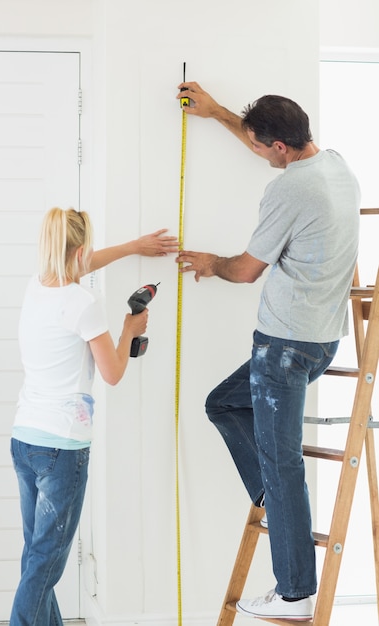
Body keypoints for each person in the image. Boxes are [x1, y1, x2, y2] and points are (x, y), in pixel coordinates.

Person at [176, 82, 360, 620]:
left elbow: (248, 269)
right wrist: (215, 114)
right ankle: (276, 503)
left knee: (284, 469)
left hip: (282, 348)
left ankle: (296, 592)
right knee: (224, 404)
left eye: (258, 147)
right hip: (320, 341)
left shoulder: (288, 192)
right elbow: (265, 137)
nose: (255, 152)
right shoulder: (336, 166)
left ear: (278, 148)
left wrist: (212, 262)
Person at [9, 207, 178, 626]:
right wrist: (129, 331)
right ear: (80, 250)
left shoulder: (36, 286)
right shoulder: (85, 303)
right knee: (44, 568)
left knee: (36, 560)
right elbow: (113, 373)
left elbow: (80, 262)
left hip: (25, 440)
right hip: (61, 450)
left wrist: (134, 247)